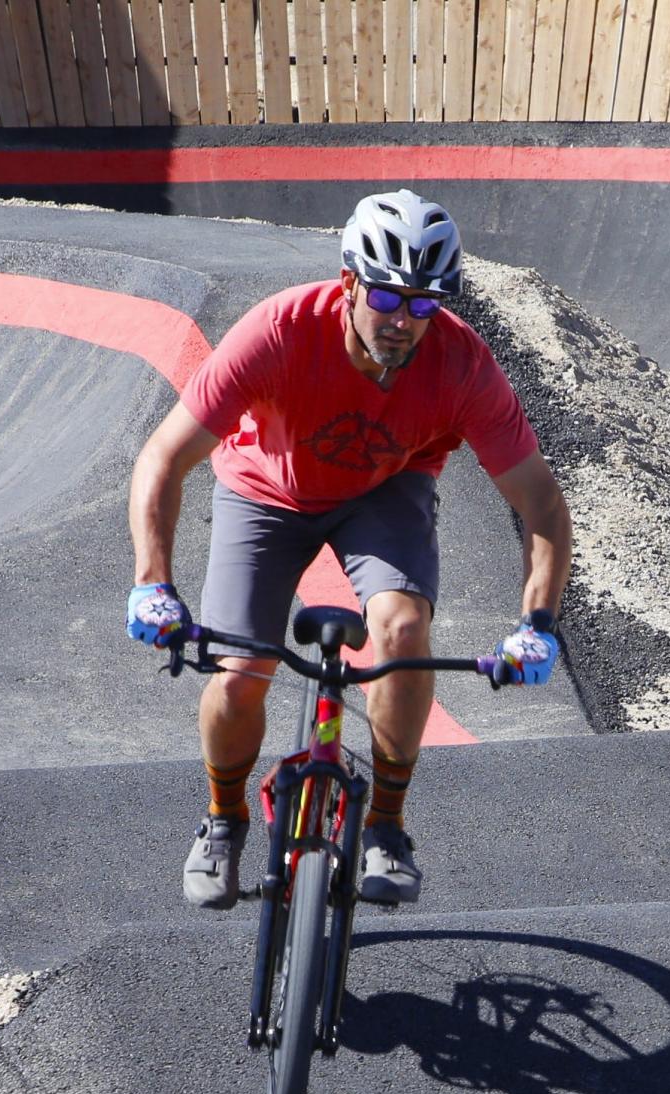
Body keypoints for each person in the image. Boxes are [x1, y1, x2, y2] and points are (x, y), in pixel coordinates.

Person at [127, 189, 572, 910]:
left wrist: (538, 623)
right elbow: (162, 458)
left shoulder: (461, 365)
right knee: (242, 671)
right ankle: (223, 820)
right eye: (389, 298)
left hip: (382, 491)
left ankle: (388, 827)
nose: (403, 322)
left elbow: (542, 502)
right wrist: (153, 582)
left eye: (424, 305)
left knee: (401, 633)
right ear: (349, 284)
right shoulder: (277, 331)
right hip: (264, 490)